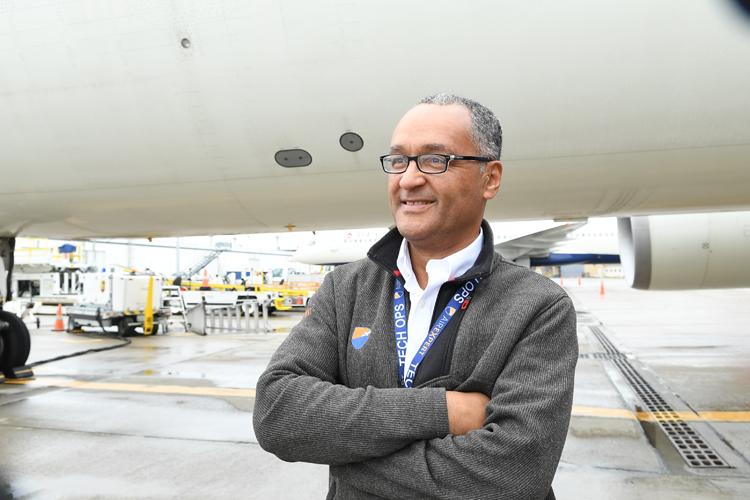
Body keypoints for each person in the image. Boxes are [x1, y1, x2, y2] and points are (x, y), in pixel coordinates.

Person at [253, 93, 578, 499]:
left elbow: (512, 474)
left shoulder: (539, 306)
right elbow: (276, 414)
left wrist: (344, 453)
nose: (408, 179)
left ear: (489, 178)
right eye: (398, 161)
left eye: (434, 160)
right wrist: (445, 411)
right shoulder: (345, 288)